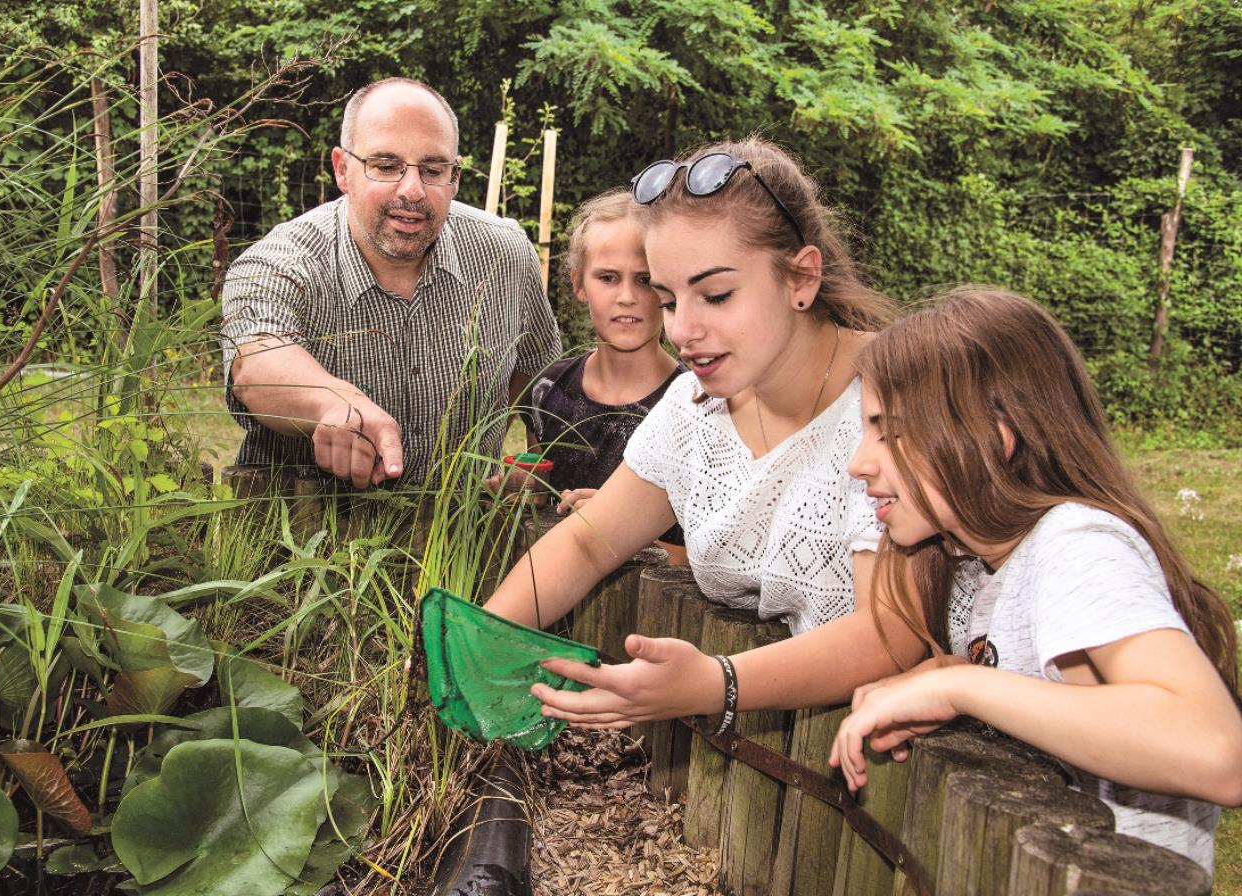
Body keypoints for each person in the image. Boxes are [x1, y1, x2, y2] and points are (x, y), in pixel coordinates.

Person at [483, 138, 924, 727]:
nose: (683, 329)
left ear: (802, 278)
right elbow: (587, 542)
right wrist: (479, 647)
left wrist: (718, 684)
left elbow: (890, 633)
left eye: (715, 295)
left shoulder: (896, 395)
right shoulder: (692, 407)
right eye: (667, 300)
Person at [828, 287, 1242, 874]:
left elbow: (1216, 751)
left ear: (993, 438)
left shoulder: (1074, 545)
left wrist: (962, 691)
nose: (859, 462)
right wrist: (955, 674)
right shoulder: (1001, 568)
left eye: (887, 432)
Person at [221, 77, 562, 489]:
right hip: (301, 537)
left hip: (463, 543)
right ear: (342, 169)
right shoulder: (279, 261)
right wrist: (337, 403)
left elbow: (542, 383)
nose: (413, 190)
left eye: (434, 169)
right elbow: (255, 364)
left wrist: (539, 480)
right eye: (386, 166)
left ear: (455, 177)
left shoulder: (505, 255)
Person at [491, 189, 685, 547]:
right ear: (580, 284)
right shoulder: (547, 390)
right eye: (608, 278)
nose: (626, 296)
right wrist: (526, 490)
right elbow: (547, 500)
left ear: (669, 285)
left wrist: (622, 530)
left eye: (644, 279)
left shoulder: (696, 406)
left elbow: (709, 563)